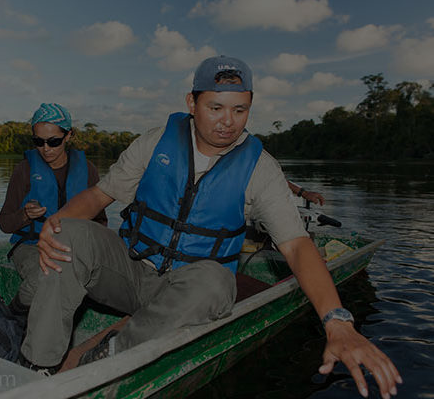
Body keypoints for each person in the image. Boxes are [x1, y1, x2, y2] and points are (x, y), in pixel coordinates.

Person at [27, 57, 401, 398]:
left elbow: (297, 245)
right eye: (216, 107)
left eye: (240, 109)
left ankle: (109, 358)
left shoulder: (260, 168)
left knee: (216, 280)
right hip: (132, 270)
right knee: (65, 230)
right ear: (192, 103)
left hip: (191, 293)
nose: (227, 121)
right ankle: (39, 365)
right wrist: (54, 224)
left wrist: (337, 321)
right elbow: (98, 195)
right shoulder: (156, 142)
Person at [0, 103, 107, 315]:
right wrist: (25, 214)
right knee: (47, 275)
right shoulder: (23, 170)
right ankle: (12, 316)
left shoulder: (89, 171)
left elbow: (100, 222)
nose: (46, 148)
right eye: (38, 141)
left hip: (73, 248)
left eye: (53, 141)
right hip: (30, 246)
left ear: (69, 135)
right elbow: (4, 223)